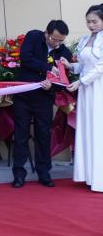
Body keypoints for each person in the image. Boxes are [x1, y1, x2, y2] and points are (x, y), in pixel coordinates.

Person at [11, 20, 72, 189]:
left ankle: (44, 173)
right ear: (46, 33)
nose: (57, 43)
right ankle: (19, 174)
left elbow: (63, 80)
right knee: (21, 135)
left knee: (43, 136)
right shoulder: (34, 37)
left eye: (61, 41)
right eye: (54, 39)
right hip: (23, 97)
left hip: (44, 99)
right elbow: (26, 59)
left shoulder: (64, 52)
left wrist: (52, 86)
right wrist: (47, 68)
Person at [61, 5, 103, 192]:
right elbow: (83, 66)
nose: (91, 25)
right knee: (88, 127)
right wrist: (69, 66)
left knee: (99, 128)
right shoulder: (85, 39)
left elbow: (100, 67)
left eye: (95, 21)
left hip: (98, 87)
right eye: (88, 21)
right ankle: (91, 176)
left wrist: (81, 82)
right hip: (86, 88)